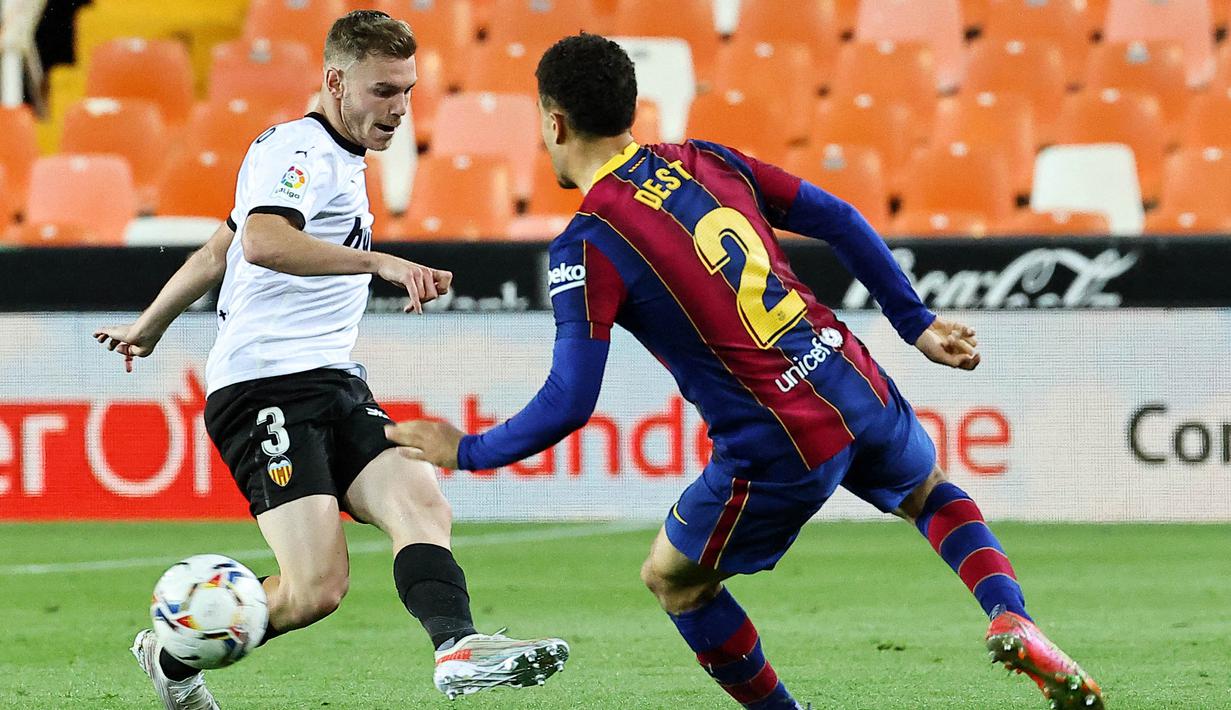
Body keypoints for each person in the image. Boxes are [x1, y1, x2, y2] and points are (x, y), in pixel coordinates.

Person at [385, 33, 1103, 710]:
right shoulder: (705, 159)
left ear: (554, 122)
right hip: (844, 368)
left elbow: (571, 399)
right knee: (928, 492)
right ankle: (1010, 615)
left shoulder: (588, 241)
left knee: (672, 580)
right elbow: (840, 217)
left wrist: (467, 450)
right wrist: (913, 323)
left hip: (776, 436)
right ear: (630, 109)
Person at [95, 11, 567, 709]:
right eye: (382, 91)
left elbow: (218, 249)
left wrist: (150, 325)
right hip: (264, 387)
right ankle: (169, 653)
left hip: (332, 377)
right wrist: (380, 260)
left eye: (406, 90)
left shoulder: (330, 159)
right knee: (316, 588)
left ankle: (457, 647)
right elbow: (260, 242)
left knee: (421, 499)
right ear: (336, 81)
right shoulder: (299, 150)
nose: (399, 108)